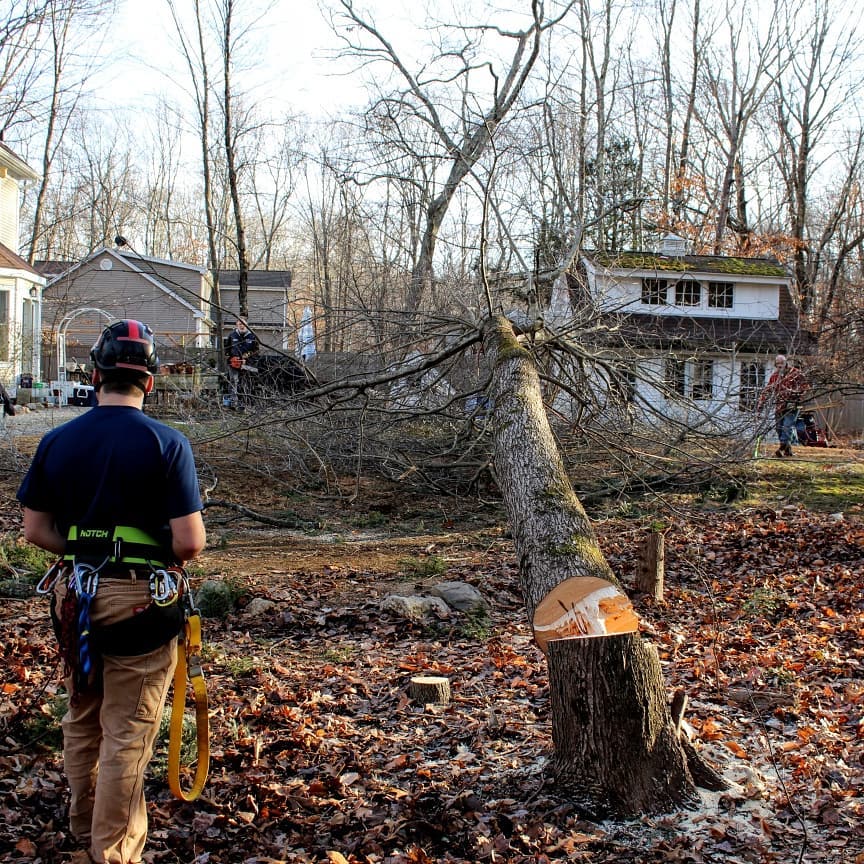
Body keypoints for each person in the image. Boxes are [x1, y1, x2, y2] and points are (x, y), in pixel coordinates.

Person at [16, 320, 206, 864]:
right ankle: (113, 851)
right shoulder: (167, 443)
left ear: (95, 375)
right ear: (149, 381)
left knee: (83, 709)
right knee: (128, 730)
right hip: (141, 599)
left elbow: (35, 530)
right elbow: (189, 543)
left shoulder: (57, 440)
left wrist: (85, 549)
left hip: (75, 596)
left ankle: (83, 827)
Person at [757, 354, 809, 458]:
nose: (780, 366)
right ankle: (788, 450)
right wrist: (760, 405)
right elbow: (767, 391)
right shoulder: (775, 377)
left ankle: (781, 449)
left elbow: (806, 387)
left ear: (786, 363)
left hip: (792, 406)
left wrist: (797, 397)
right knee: (779, 428)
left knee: (787, 426)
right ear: (775, 364)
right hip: (780, 406)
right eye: (778, 364)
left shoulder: (796, 374)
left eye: (782, 363)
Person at [224, 317, 258, 409]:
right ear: (237, 325)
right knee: (233, 381)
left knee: (246, 382)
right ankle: (233, 403)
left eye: (243, 324)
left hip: (248, 364)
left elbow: (256, 351)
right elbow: (227, 349)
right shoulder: (232, 335)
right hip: (233, 363)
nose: (242, 326)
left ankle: (246, 403)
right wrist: (230, 358)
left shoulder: (252, 336)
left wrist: (247, 358)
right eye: (240, 324)